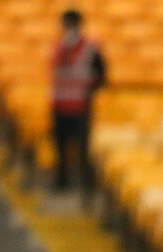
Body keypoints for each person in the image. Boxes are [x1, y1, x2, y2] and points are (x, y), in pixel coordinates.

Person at [50, 9, 106, 192]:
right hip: (59, 104)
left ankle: (86, 184)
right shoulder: (56, 47)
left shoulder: (90, 48)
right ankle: (62, 182)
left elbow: (101, 76)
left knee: (83, 147)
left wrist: (87, 89)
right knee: (60, 146)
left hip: (80, 105)